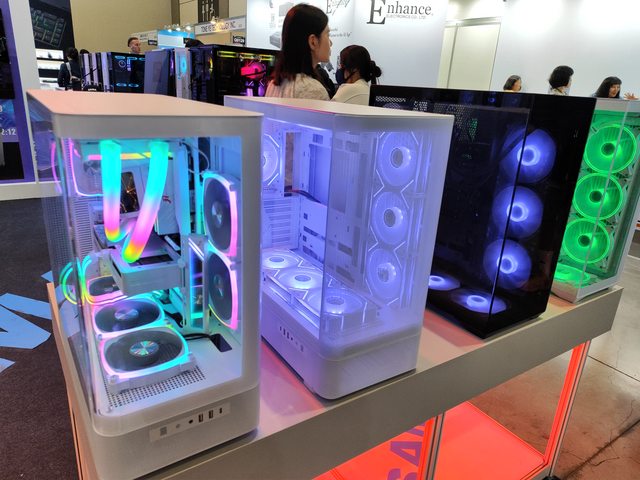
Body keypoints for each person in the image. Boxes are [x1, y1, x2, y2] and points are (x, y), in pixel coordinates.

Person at [265, 4, 331, 100]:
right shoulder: (313, 91)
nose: (331, 43)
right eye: (328, 35)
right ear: (313, 41)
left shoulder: (273, 85)